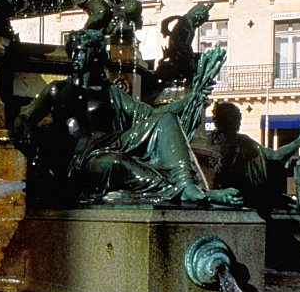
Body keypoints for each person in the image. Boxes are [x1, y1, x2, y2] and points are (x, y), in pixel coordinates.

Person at [13, 28, 241, 209]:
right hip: (81, 160)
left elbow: (149, 115)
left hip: (117, 143)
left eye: (84, 51)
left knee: (166, 119)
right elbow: (25, 117)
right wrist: (25, 130)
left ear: (96, 56)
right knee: (115, 162)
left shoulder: (111, 92)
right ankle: (184, 191)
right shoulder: (57, 90)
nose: (77, 56)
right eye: (76, 51)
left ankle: (187, 185)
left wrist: (193, 97)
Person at [208, 101, 300, 215]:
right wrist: (298, 141)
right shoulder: (244, 143)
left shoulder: (206, 141)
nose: (239, 123)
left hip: (214, 196)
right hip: (241, 196)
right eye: (237, 119)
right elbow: (275, 156)